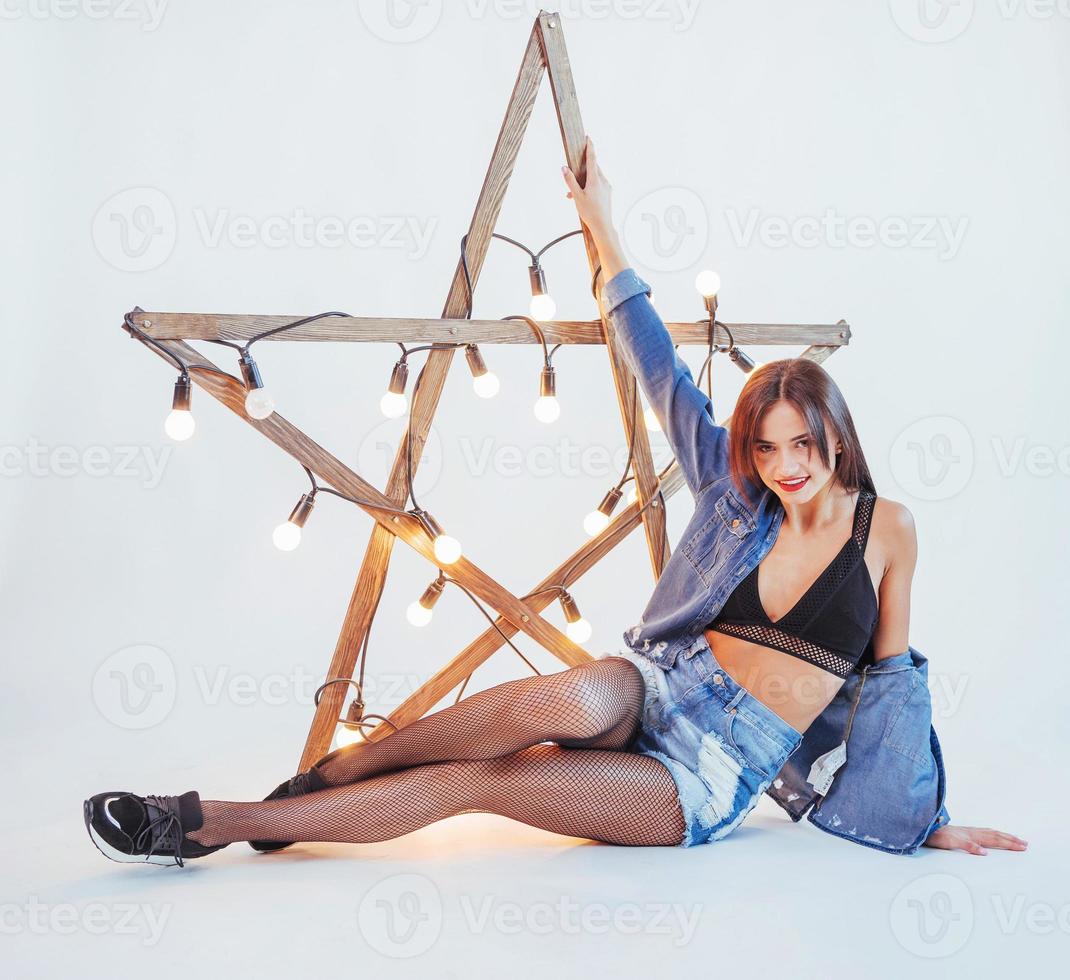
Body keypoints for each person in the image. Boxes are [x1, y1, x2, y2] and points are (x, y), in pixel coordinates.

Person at [84, 136, 1027, 867]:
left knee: (481, 784)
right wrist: (602, 227)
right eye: (767, 447)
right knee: (565, 693)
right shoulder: (736, 491)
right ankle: (340, 772)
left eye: (803, 446)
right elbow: (655, 363)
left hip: (707, 775)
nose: (786, 466)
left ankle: (210, 823)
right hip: (658, 685)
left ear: (835, 436)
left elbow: (897, 683)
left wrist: (925, 819)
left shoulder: (887, 529)